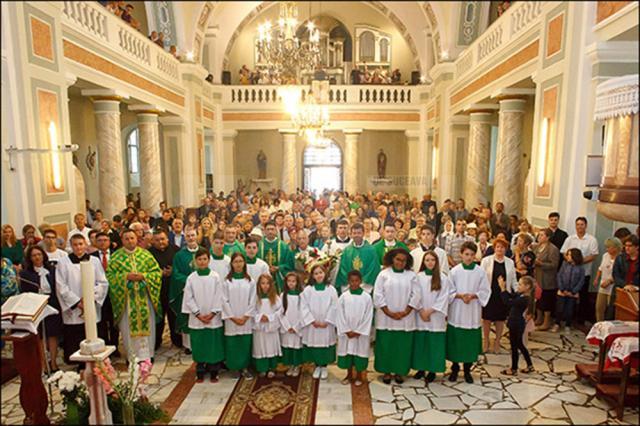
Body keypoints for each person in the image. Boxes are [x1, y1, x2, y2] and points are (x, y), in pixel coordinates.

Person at [107, 229, 162, 361]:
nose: (130, 241)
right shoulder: (116, 257)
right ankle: (132, 357)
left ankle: (148, 355)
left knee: (148, 326)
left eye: (132, 238)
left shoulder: (146, 255)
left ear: (136, 239)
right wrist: (126, 277)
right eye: (127, 239)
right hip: (127, 301)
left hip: (145, 298)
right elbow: (110, 276)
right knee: (128, 329)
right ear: (122, 240)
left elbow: (156, 273)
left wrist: (144, 276)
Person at [56, 234, 109, 365]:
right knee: (76, 336)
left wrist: (90, 299)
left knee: (92, 333)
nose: (78, 247)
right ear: (71, 246)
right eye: (75, 244)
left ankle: (96, 362)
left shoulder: (94, 261)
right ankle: (78, 364)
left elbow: (102, 282)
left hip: (91, 305)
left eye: (81, 244)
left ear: (85, 244)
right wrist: (77, 302)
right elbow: (61, 286)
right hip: (74, 309)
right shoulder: (63, 262)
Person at [446, 241, 491, 384]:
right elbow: (449, 290)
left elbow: (485, 290)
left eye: (472, 255)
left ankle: (467, 370)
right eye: (466, 254)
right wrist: (459, 296)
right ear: (461, 254)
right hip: (457, 310)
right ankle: (454, 368)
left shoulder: (480, 272)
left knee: (469, 343)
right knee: (456, 341)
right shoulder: (454, 271)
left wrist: (474, 295)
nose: (469, 257)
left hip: (472, 310)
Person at [373, 248, 419, 385]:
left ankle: (400, 371)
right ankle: (386, 372)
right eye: (398, 259)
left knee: (402, 347)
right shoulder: (383, 274)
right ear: (392, 259)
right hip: (386, 317)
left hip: (405, 318)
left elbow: (416, 295)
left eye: (404, 261)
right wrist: (388, 312)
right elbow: (378, 294)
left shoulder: (411, 276)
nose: (400, 262)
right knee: (386, 345)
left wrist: (406, 311)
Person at [181, 248, 225, 383]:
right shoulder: (191, 278)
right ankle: (200, 369)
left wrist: (212, 313)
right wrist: (198, 314)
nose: (202, 261)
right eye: (199, 259)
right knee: (199, 343)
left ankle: (214, 370)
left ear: (209, 260)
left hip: (213, 317)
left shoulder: (215, 276)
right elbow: (188, 297)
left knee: (213, 344)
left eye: (204, 259)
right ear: (195, 261)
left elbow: (219, 296)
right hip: (197, 319)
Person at [19, 245, 63, 372]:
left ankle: (53, 362)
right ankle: (44, 364)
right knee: (41, 336)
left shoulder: (52, 270)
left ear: (43, 255)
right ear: (30, 258)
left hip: (52, 304)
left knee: (52, 334)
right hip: (37, 305)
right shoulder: (26, 274)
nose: (37, 257)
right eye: (34, 255)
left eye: (39, 254)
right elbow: (25, 292)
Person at [412, 251, 450, 383]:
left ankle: (433, 369)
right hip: (420, 314)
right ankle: (421, 368)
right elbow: (415, 295)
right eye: (427, 260)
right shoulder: (418, 277)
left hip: (435, 316)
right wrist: (421, 310)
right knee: (421, 342)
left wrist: (430, 311)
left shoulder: (443, 278)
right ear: (423, 262)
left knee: (434, 343)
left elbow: (444, 297)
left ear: (437, 262)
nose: (430, 262)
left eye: (432, 260)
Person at [300, 264, 338, 380]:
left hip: (326, 324)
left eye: (321, 272)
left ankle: (324, 366)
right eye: (316, 273)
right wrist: (311, 320)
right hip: (313, 324)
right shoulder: (308, 290)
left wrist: (327, 320)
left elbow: (335, 306)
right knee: (315, 344)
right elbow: (303, 306)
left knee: (325, 345)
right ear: (312, 276)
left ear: (325, 273)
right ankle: (317, 366)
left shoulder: (331, 289)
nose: (319, 275)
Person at [336, 270, 373, 387]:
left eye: (357, 281)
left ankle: (359, 376)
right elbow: (339, 314)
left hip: (360, 333)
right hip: (347, 332)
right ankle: (348, 375)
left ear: (361, 281)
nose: (354, 283)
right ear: (348, 282)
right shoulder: (344, 296)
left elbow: (368, 315)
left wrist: (359, 331)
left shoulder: (366, 297)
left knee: (359, 355)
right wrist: (346, 330)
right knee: (348, 354)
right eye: (352, 281)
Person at [222, 252, 256, 378]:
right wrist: (232, 317)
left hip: (245, 319)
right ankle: (234, 367)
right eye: (235, 261)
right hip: (232, 319)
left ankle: (245, 367)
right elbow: (224, 300)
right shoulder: (227, 281)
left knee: (244, 343)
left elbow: (253, 300)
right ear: (231, 264)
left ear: (244, 263)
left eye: (241, 261)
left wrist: (246, 316)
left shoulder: (250, 281)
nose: (238, 264)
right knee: (233, 343)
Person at [480, 238, 517, 354]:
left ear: (505, 249)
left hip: (502, 294)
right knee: (487, 318)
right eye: (497, 247)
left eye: (502, 247)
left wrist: (517, 291)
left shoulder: (510, 262)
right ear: (494, 248)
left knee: (500, 319)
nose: (499, 249)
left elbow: (514, 280)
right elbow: (480, 277)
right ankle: (486, 340)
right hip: (489, 293)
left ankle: (497, 342)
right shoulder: (486, 261)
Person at [560, 217, 599, 325]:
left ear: (586, 226)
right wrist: (570, 260)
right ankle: (568, 318)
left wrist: (579, 261)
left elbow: (594, 255)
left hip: (584, 273)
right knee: (568, 295)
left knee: (583, 296)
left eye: (582, 224)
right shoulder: (570, 239)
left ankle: (581, 319)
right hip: (569, 273)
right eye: (577, 224)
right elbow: (563, 252)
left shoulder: (591, 239)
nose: (579, 227)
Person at [171, 226, 202, 353]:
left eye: (193, 235)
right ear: (185, 238)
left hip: (202, 291)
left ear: (197, 236)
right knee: (187, 316)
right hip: (186, 290)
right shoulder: (179, 255)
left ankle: (200, 342)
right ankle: (188, 345)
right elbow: (176, 273)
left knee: (201, 314)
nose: (190, 238)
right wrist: (188, 280)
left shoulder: (204, 252)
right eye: (188, 236)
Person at [148, 229, 180, 348]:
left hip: (172, 290)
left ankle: (176, 340)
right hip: (156, 292)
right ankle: (156, 342)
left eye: (162, 239)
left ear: (167, 239)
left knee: (174, 316)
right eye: (157, 240)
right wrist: (159, 273)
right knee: (158, 318)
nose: (160, 242)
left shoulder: (176, 250)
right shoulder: (148, 253)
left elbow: (180, 266)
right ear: (152, 241)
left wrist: (173, 271)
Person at [499, 276, 535, 376]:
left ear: (527, 286)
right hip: (516, 323)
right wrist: (504, 288)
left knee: (514, 346)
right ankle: (530, 365)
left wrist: (502, 289)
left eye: (520, 284)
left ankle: (514, 369)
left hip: (517, 324)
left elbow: (508, 302)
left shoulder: (525, 299)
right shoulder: (520, 295)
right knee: (520, 345)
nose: (518, 286)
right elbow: (510, 295)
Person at [92, 232, 120, 355]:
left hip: (114, 292)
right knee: (101, 322)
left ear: (109, 242)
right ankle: (104, 346)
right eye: (100, 240)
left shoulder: (117, 255)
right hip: (99, 294)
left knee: (114, 322)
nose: (103, 242)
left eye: (105, 240)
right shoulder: (90, 257)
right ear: (95, 242)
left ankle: (115, 346)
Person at [336, 223, 380, 294]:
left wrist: (362, 285)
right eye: (354, 233)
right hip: (349, 287)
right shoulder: (347, 250)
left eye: (359, 233)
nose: (356, 235)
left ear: (363, 234)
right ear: (351, 234)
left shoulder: (371, 250)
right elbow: (343, 269)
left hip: (365, 288)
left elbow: (373, 269)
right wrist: (351, 283)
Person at [252, 274, 282, 378]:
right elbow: (252, 310)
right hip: (260, 327)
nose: (265, 286)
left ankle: (272, 368)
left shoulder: (275, 298)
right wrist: (260, 317)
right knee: (261, 347)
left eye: (267, 283)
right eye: (263, 283)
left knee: (271, 347)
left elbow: (280, 311)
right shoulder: (255, 298)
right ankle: (262, 368)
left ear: (271, 285)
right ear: (259, 285)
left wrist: (269, 317)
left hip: (271, 327)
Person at [551, 248, 585, 332]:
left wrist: (574, 291)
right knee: (559, 308)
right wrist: (562, 288)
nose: (567, 257)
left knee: (569, 310)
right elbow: (559, 276)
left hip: (572, 292)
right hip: (562, 290)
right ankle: (557, 323)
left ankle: (568, 324)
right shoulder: (564, 264)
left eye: (569, 255)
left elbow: (581, 281)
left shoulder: (581, 268)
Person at [533, 228, 560, 331]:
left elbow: (554, 264)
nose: (539, 237)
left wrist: (541, 264)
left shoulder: (553, 249)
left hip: (548, 278)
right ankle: (539, 318)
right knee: (539, 299)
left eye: (542, 235)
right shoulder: (537, 247)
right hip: (538, 277)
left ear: (548, 237)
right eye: (539, 235)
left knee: (546, 300)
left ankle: (546, 321)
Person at [258, 221, 295, 292]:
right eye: (268, 229)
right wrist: (265, 268)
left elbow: (289, 264)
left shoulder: (283, 246)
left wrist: (279, 267)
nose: (270, 231)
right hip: (263, 276)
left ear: (276, 230)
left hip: (279, 277)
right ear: (264, 231)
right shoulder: (259, 246)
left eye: (272, 229)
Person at [280, 272, 304, 377]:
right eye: (289, 281)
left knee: (296, 347)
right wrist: (287, 326)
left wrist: (296, 327)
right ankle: (290, 365)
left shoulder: (301, 296)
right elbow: (280, 312)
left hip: (297, 326)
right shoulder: (283, 295)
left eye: (293, 281)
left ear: (297, 282)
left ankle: (297, 365)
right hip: (287, 327)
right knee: (288, 347)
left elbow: (303, 313)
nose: (291, 283)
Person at [609, 235, 640, 317]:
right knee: (611, 315)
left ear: (637, 247)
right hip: (620, 291)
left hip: (635, 294)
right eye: (626, 245)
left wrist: (635, 287)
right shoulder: (620, 258)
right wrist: (625, 285)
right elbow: (615, 275)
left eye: (630, 246)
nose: (627, 248)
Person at [594, 238, 622, 322]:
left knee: (610, 310)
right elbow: (601, 268)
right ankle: (599, 324)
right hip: (603, 285)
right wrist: (596, 279)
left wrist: (610, 281)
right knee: (599, 307)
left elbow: (620, 274)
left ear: (615, 248)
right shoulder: (605, 255)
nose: (607, 249)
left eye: (609, 247)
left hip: (613, 287)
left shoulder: (621, 258)